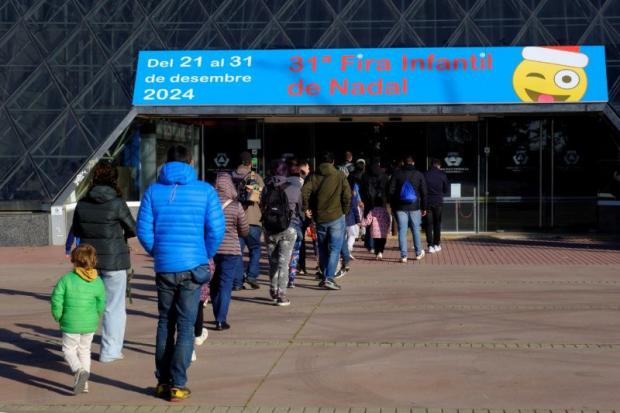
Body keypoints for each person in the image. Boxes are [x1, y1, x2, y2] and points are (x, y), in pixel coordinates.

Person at [137, 145, 225, 402]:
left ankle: (162, 381)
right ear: (191, 162)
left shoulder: (153, 191)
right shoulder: (205, 191)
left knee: (165, 322)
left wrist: (159, 252)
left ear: (165, 163)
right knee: (186, 325)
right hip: (193, 266)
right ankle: (178, 383)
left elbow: (143, 231)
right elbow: (216, 231)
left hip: (165, 266)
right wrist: (203, 253)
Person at [72, 160, 136, 363]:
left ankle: (80, 349)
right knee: (114, 307)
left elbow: (77, 229)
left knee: (84, 305)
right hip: (114, 260)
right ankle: (109, 352)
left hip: (87, 260)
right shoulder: (117, 203)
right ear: (114, 178)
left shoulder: (82, 203)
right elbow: (133, 228)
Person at [51, 243, 105, 395]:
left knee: (68, 350)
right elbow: (101, 301)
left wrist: (58, 315)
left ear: (74, 260)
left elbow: (56, 299)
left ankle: (78, 370)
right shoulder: (98, 281)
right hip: (90, 322)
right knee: (84, 351)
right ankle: (85, 384)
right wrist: (96, 315)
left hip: (70, 322)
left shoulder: (66, 279)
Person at [302, 151, 351, 290]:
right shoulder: (340, 175)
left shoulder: (313, 176)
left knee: (322, 248)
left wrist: (307, 208)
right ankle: (329, 278)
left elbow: (304, 192)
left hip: (320, 217)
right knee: (335, 248)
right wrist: (345, 211)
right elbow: (347, 195)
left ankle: (325, 276)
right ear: (333, 162)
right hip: (336, 216)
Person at [210, 172, 249, 327]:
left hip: (211, 249)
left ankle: (216, 312)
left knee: (213, 283)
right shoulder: (236, 205)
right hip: (231, 250)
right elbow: (244, 229)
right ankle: (221, 319)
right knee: (225, 284)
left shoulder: (209, 204)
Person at [263, 160, 301, 305]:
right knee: (283, 263)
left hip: (270, 228)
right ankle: (282, 295)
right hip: (288, 228)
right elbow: (300, 209)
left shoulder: (267, 187)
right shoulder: (294, 187)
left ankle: (273, 290)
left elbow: (262, 205)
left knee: (272, 262)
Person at [232, 151, 264, 290]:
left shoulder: (230, 177)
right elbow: (260, 197)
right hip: (253, 219)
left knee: (237, 252)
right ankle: (251, 276)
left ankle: (237, 283)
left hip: (235, 219)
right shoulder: (254, 176)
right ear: (250, 163)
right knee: (255, 249)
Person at [388, 155, 428, 263]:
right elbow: (424, 192)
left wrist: (393, 205)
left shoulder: (397, 174)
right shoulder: (419, 174)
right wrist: (424, 207)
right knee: (415, 229)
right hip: (415, 207)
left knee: (402, 230)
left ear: (403, 163)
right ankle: (418, 253)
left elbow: (390, 191)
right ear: (413, 163)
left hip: (400, 207)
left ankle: (403, 256)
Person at [424, 158, 449, 253]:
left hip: (428, 202)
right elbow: (446, 189)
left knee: (428, 224)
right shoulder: (442, 175)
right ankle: (437, 244)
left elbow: (422, 188)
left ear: (431, 165)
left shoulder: (425, 174)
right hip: (438, 202)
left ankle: (430, 245)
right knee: (437, 224)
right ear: (439, 165)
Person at [287, 164, 305, 289]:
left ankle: (279, 280)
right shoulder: (299, 189)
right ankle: (291, 279)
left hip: (281, 225)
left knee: (282, 255)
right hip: (295, 224)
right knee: (295, 252)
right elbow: (301, 209)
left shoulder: (282, 186)